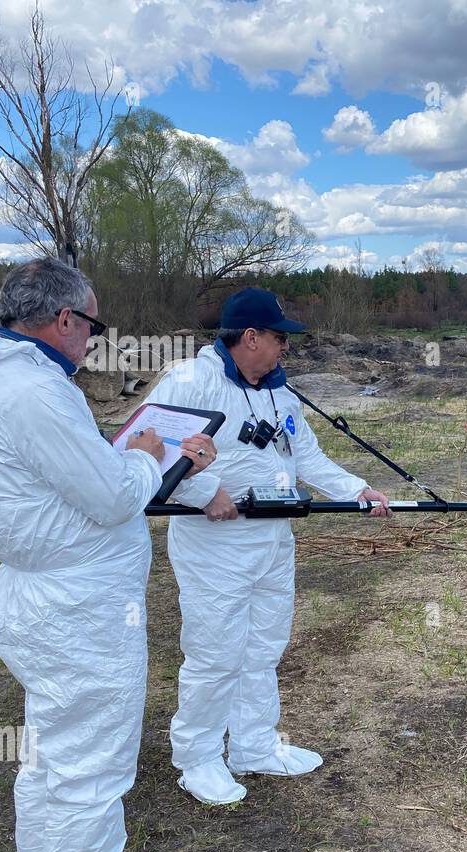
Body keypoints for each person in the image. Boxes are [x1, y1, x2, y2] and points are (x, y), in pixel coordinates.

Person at [0, 257, 217, 852]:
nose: (93, 338)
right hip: (75, 611)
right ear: (63, 319)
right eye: (90, 323)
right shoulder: (33, 389)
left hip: (52, 598)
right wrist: (151, 454)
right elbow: (113, 495)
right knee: (87, 766)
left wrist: (132, 457)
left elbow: (74, 481)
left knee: (54, 761)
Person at [143, 287, 389, 805]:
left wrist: (357, 490)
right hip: (215, 547)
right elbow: (147, 449)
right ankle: (198, 758)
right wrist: (206, 492)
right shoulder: (191, 380)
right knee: (215, 653)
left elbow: (308, 458)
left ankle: (254, 746)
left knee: (262, 648)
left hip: (273, 540)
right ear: (250, 337)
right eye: (279, 338)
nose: (285, 348)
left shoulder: (282, 393)